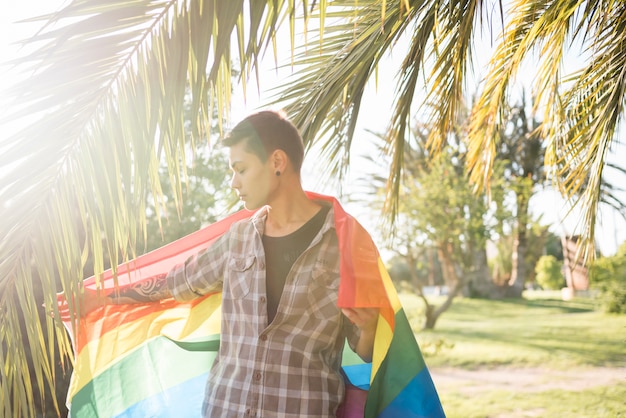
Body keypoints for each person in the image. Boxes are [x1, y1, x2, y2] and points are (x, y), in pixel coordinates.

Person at [87, 110, 379, 418]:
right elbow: (175, 284)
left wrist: (371, 328)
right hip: (225, 409)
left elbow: (364, 348)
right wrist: (102, 296)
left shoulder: (345, 242)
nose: (233, 182)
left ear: (277, 162)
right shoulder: (238, 238)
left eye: (241, 169)